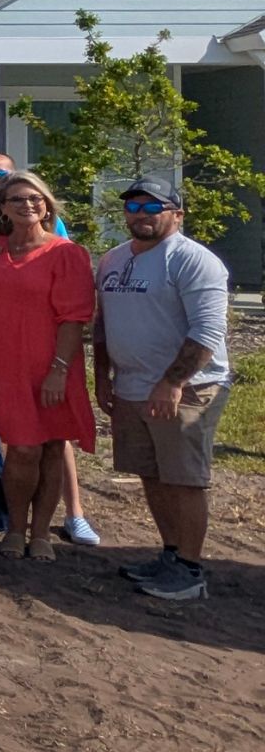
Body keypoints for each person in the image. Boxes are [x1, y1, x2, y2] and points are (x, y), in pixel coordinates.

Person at [94, 179, 228, 601]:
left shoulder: (193, 260)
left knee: (183, 479)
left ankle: (190, 570)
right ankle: (170, 554)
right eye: (133, 205)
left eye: (152, 206)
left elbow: (207, 331)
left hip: (185, 390)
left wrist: (172, 383)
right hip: (132, 387)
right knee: (152, 474)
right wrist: (101, 376)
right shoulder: (113, 260)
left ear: (177, 213)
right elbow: (102, 325)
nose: (140, 214)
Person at [0, 170, 94, 561]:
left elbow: (74, 317)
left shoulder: (65, 252)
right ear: (2, 208)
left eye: (35, 199)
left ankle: (40, 532)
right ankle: (14, 527)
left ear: (46, 205)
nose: (27, 205)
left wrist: (59, 369)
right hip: (3, 366)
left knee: (51, 447)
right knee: (22, 449)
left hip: (50, 366)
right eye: (17, 200)